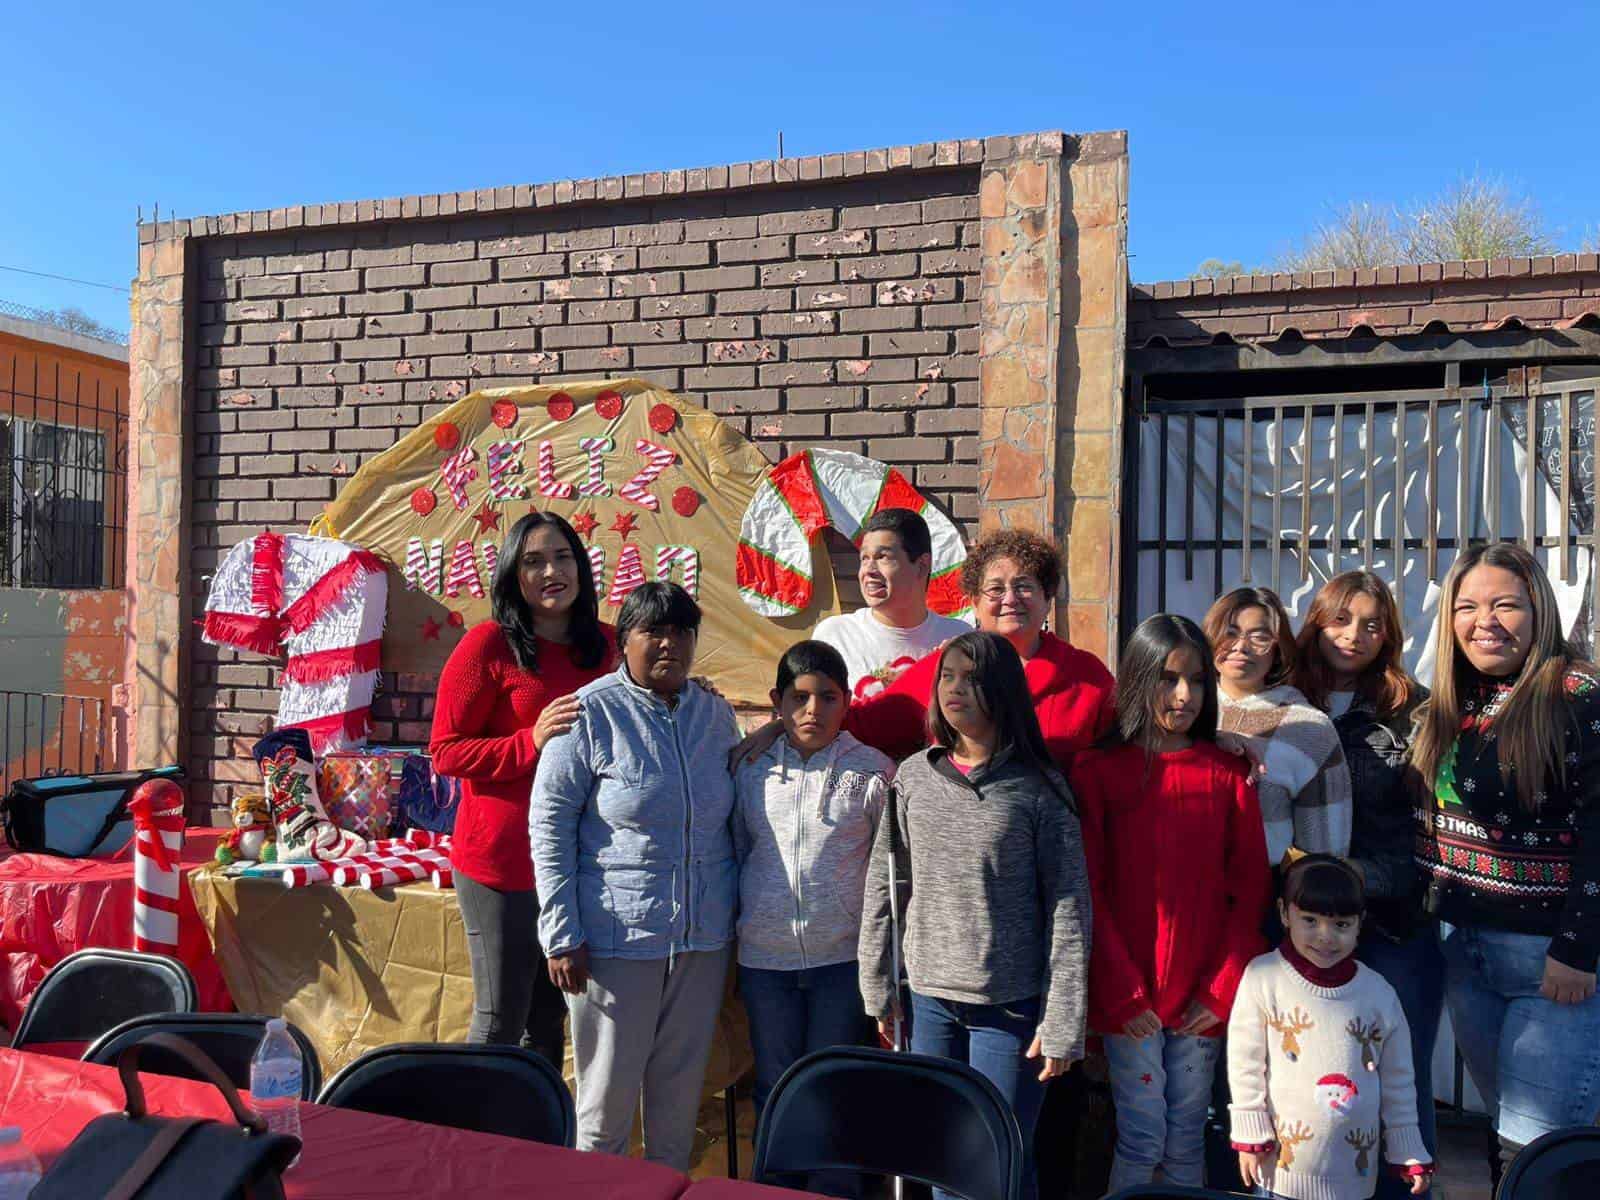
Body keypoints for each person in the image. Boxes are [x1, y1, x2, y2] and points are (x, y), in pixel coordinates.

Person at [860, 630, 1090, 1200]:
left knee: (998, 1165)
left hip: (1007, 1011)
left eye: (971, 676)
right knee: (943, 1160)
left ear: (1004, 689)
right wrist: (876, 983)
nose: (954, 688)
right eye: (946, 675)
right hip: (929, 1001)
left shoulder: (1038, 789)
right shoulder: (912, 777)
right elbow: (885, 886)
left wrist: (1063, 1020)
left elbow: (1069, 907)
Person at [529, 582, 740, 1170]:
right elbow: (548, 825)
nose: (669, 644)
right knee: (604, 1116)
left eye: (681, 632)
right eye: (654, 632)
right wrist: (561, 931)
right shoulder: (589, 714)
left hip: (701, 941)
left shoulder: (713, 713)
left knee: (677, 1113)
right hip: (615, 943)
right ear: (625, 641)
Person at [1410, 542, 1600, 1174]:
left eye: (1504, 605)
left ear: (1538, 610)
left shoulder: (1578, 696)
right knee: (1503, 1138)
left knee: (1539, 1152)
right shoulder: (1454, 698)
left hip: (1554, 972)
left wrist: (1578, 949)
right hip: (1467, 952)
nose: (1483, 621)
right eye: (1466, 606)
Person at [1073, 613, 1271, 1191]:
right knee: (1141, 1133)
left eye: (1197, 681)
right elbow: (1090, 889)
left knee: (1186, 1133)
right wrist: (1122, 992)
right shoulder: (1099, 771)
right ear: (1137, 678)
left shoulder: (1228, 773)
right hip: (1128, 995)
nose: (1184, 695)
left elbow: (1251, 889)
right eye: (1167, 678)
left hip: (1202, 999)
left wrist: (1221, 988)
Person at [429, 512, 613, 1067]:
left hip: (580, 862)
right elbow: (445, 751)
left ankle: (532, 1142)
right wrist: (528, 740)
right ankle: (475, 1141)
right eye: (533, 561)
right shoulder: (488, 645)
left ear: (581, 567)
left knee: (550, 1019)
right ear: (514, 575)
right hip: (501, 865)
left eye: (562, 557)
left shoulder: (608, 645)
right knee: (500, 1019)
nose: (551, 571)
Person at [1292, 570, 1442, 1197]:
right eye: (1340, 619)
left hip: (1393, 926)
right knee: (1310, 1085)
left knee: (1397, 1083)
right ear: (1316, 623)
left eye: (1372, 624)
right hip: (1300, 929)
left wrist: (1363, 876)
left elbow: (1436, 832)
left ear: (1390, 635)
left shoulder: (1415, 710)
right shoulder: (1281, 700)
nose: (1355, 635)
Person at [733, 639, 894, 1196]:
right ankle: (775, 1188)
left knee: (833, 1085)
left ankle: (835, 1190)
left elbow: (889, 876)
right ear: (776, 702)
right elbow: (736, 850)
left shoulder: (873, 774)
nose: (812, 710)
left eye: (827, 697)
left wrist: (884, 964)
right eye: (799, 697)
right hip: (764, 960)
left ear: (846, 702)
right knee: (775, 1083)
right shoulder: (748, 769)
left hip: (841, 962)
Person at [1228, 856, 1433, 1199]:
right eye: (1309, 920)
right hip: (1279, 1174)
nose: (1325, 937)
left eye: (1340, 924)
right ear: (1283, 913)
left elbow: (1399, 1081)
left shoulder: (1379, 994)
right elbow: (1245, 1061)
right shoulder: (1263, 978)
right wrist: (1250, 1132)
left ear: (1359, 924)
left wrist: (1407, 1149)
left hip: (1352, 1180)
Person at [1203, 586, 1352, 865]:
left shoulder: (1309, 729)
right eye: (1229, 633)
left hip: (1265, 894)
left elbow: (1325, 853)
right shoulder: (1184, 710)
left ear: (1278, 648)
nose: (1240, 647)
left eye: (1259, 637)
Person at [812, 508, 971, 700]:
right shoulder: (836, 635)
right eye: (864, 558)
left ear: (921, 566)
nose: (869, 570)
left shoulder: (959, 637)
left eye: (883, 557)